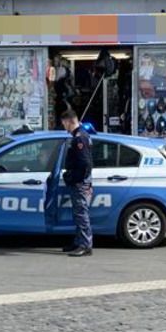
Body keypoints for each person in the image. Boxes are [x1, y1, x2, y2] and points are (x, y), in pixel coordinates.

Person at [60, 108, 93, 257]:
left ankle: (85, 245)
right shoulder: (79, 135)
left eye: (64, 123)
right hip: (80, 182)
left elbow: (84, 164)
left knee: (81, 214)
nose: (63, 127)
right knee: (78, 214)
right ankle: (79, 241)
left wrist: (74, 179)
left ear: (69, 121)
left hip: (80, 183)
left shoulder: (79, 138)